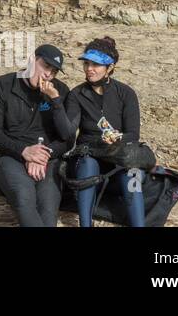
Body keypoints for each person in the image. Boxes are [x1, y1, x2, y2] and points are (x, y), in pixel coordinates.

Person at [0, 44, 74, 227]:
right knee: (24, 198)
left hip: (48, 159)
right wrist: (24, 151)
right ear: (32, 59)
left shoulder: (60, 91)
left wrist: (55, 101)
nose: (48, 74)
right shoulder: (2, 85)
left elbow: (68, 138)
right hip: (12, 156)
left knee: (48, 207)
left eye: (54, 71)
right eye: (46, 66)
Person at [66, 36, 146, 228]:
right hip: (90, 156)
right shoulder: (76, 95)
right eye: (86, 63)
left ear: (109, 67)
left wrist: (117, 137)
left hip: (119, 156)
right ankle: (85, 225)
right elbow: (69, 131)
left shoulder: (126, 93)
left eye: (96, 65)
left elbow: (133, 134)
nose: (89, 69)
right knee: (87, 163)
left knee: (133, 173)